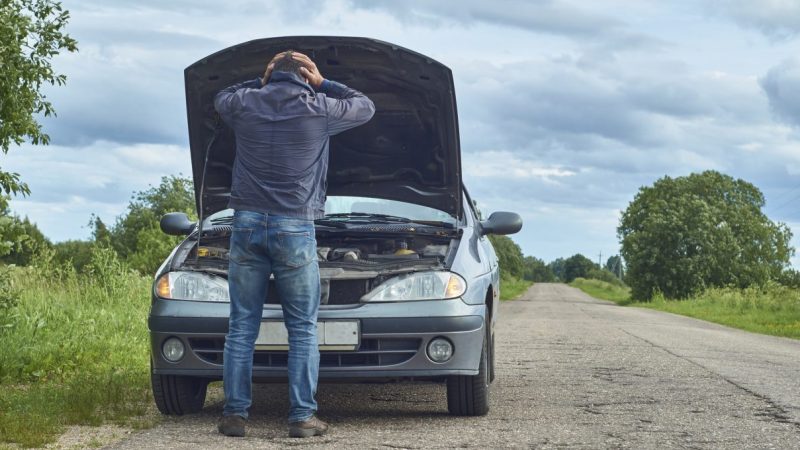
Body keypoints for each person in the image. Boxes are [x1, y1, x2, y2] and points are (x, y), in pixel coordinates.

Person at [213, 50, 375, 438]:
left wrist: (260, 80)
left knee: (241, 326)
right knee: (302, 328)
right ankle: (302, 418)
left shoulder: (246, 101)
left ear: (271, 73)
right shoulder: (320, 107)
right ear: (305, 76)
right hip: (295, 227)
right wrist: (324, 83)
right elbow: (365, 106)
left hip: (247, 223)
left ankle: (235, 415)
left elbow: (221, 97)